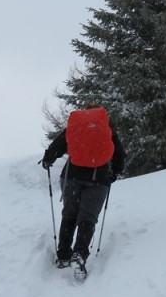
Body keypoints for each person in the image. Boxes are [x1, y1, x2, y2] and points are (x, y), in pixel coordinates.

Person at [40, 105, 126, 278]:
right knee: (88, 218)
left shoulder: (75, 128)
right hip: (98, 179)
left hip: (71, 176)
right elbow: (120, 155)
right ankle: (79, 255)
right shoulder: (107, 129)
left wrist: (48, 158)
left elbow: (58, 145)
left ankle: (64, 254)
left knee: (70, 214)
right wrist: (115, 173)